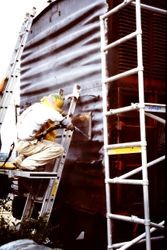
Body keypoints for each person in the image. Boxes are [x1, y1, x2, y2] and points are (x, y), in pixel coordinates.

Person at [14, 92, 75, 171]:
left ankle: (19, 160)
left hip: (19, 142)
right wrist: (69, 125)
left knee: (38, 144)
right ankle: (28, 163)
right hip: (26, 144)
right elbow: (61, 119)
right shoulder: (47, 110)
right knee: (59, 149)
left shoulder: (36, 106)